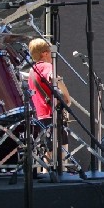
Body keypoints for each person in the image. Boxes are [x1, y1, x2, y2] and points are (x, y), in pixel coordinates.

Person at [27, 38, 71, 167]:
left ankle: (47, 175)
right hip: (51, 113)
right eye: (50, 52)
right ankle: (62, 174)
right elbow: (55, 78)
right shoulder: (47, 66)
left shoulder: (32, 70)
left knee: (48, 151)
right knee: (61, 149)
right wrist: (67, 97)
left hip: (39, 115)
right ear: (45, 53)